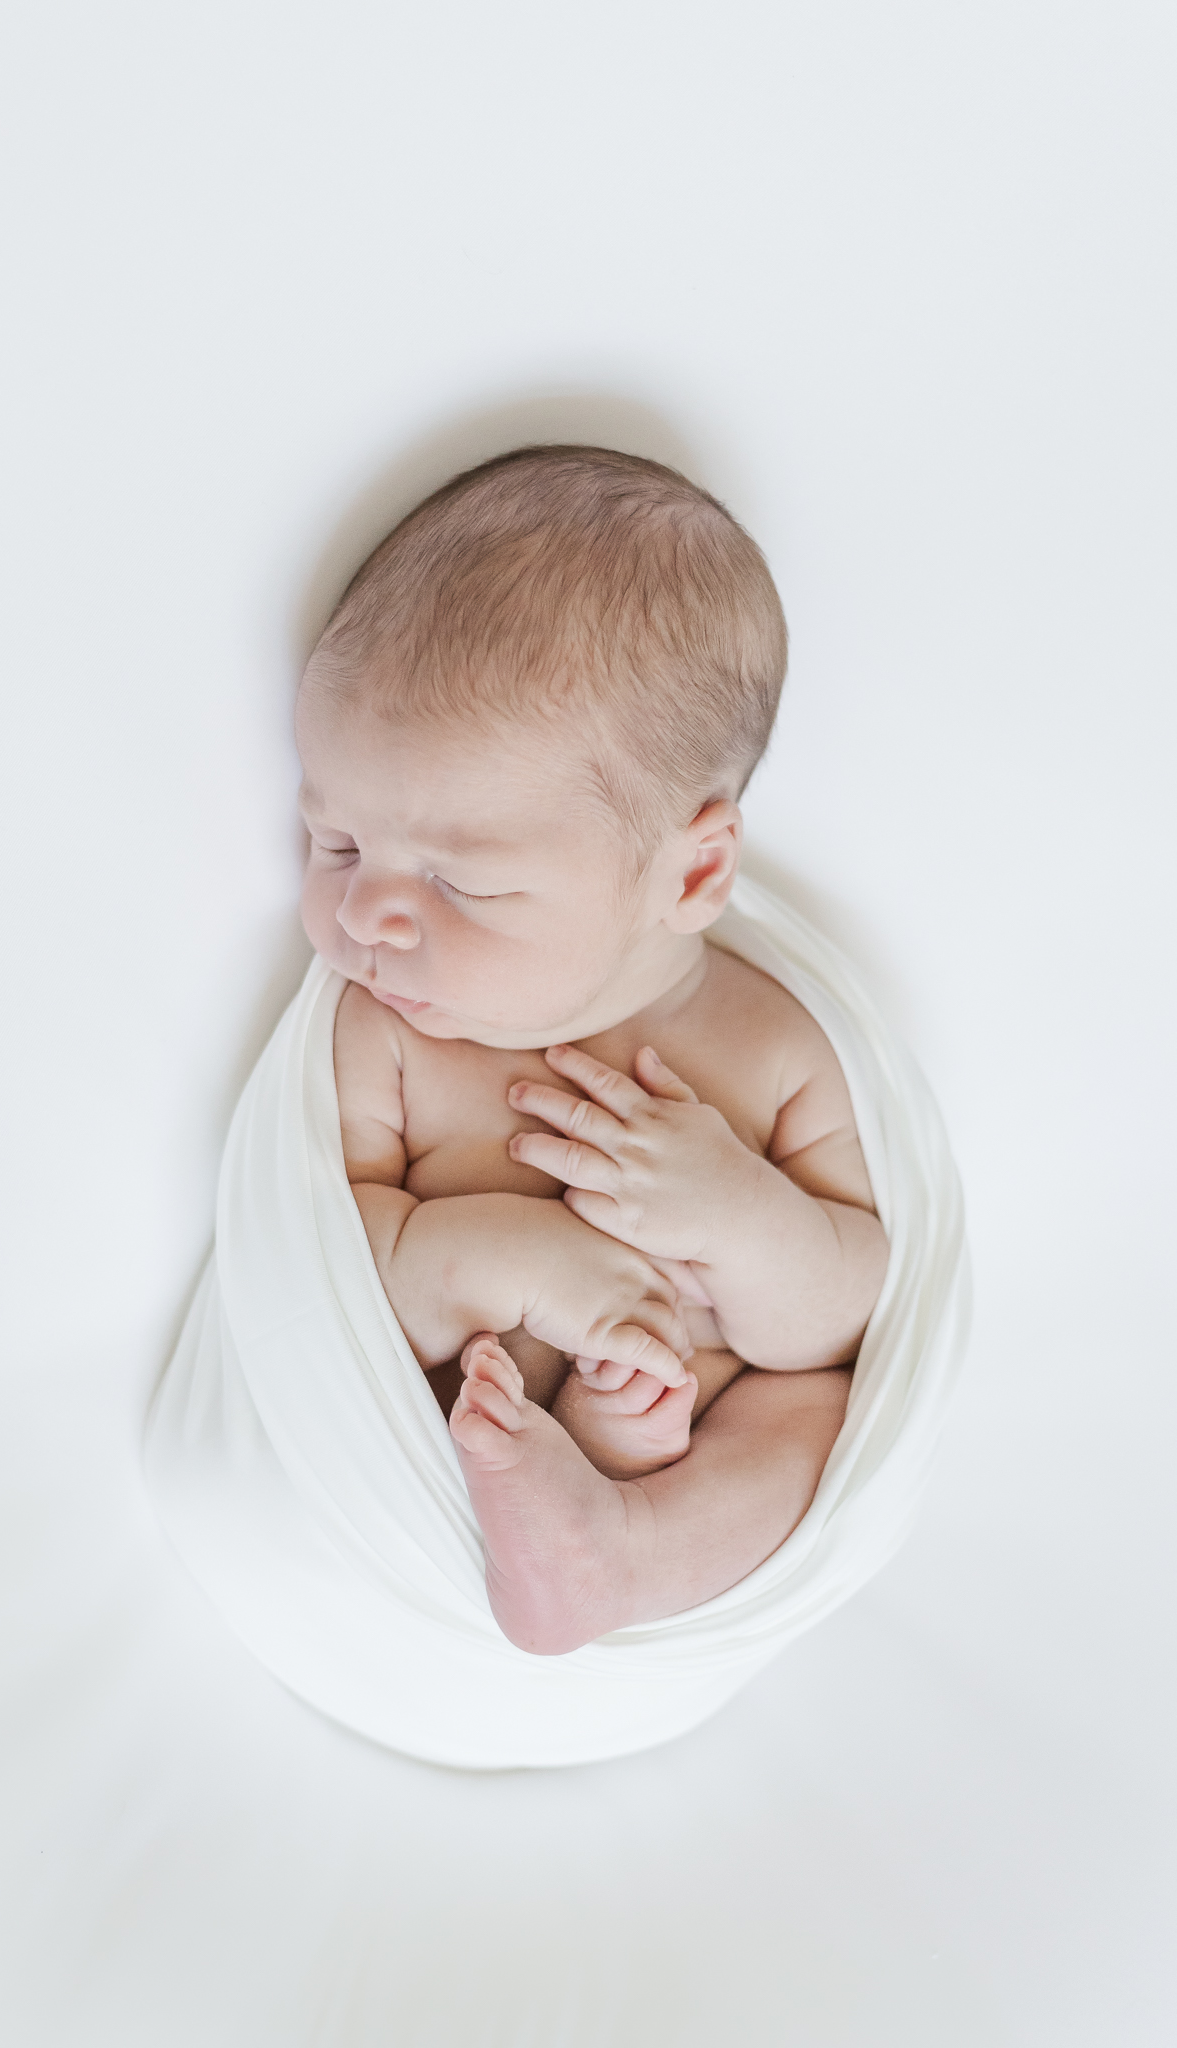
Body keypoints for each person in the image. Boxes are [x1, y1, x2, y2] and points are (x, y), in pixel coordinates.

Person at [295, 446, 889, 1655]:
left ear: (694, 872)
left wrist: (738, 1213)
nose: (364, 920)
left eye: (457, 879)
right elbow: (324, 1274)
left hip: (690, 1431)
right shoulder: (386, 1035)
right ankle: (547, 1508)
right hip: (458, 1441)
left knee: (810, 1420)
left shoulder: (768, 1044)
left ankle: (620, 1554)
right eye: (336, 843)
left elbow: (835, 1321)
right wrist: (528, 1263)